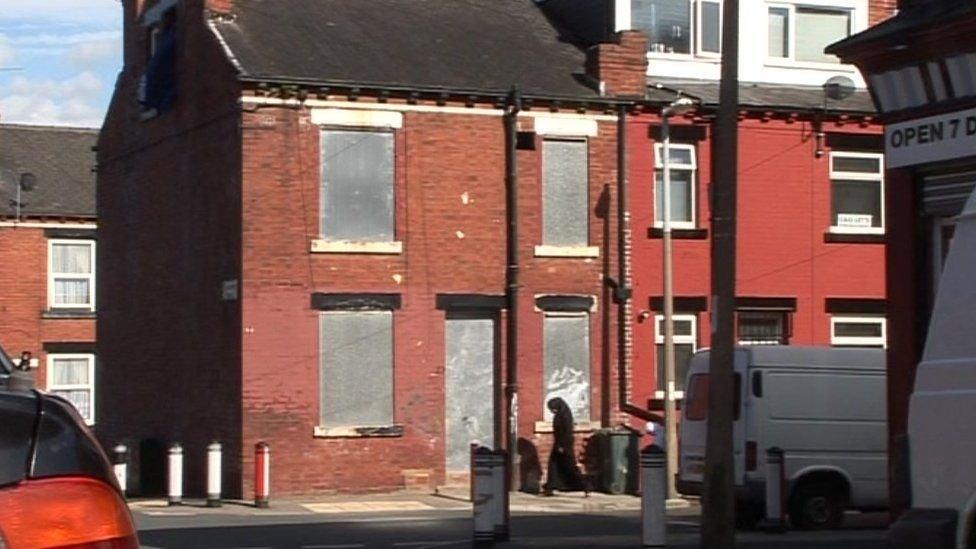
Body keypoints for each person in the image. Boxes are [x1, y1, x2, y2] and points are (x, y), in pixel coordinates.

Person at [542, 397, 589, 496]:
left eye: (552, 408)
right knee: (553, 466)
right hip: (559, 444)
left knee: (570, 466)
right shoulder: (559, 414)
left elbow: (566, 433)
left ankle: (585, 486)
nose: (552, 411)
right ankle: (550, 487)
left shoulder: (565, 416)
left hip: (564, 445)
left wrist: (562, 446)